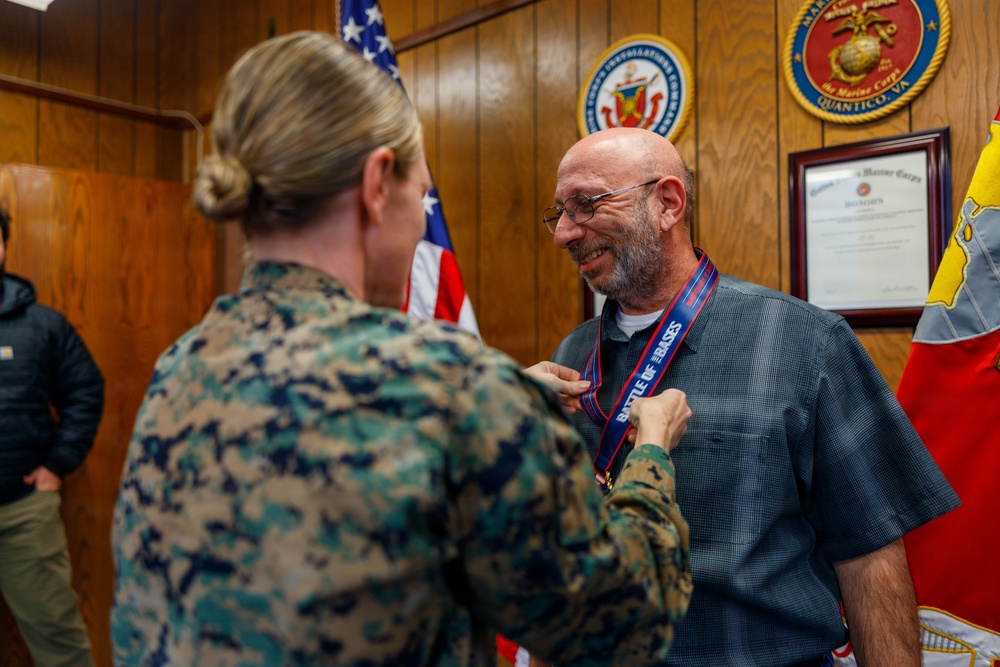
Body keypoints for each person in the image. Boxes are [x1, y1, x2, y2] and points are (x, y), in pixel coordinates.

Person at [110, 32, 695, 667]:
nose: (421, 224)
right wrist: (653, 454)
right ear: (375, 184)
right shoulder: (447, 386)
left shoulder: (182, 365)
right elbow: (622, 621)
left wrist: (501, 406)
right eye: (420, 195)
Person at [543, 127, 960, 667]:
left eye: (586, 205)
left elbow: (869, 551)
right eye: (559, 213)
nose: (564, 233)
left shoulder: (806, 341)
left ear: (667, 203)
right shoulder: (573, 353)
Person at [0, 204, 104, 667]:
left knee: (58, 638)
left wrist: (58, 463)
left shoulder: (43, 325)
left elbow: (85, 389)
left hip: (22, 513)